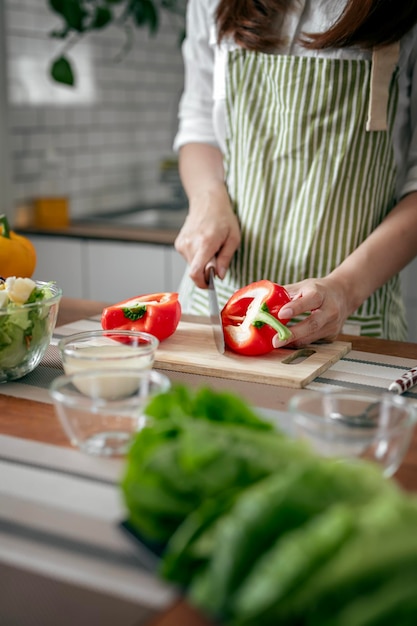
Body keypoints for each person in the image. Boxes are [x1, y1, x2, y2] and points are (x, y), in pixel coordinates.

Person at [173, 0, 417, 347]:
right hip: (222, 295)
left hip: (353, 315)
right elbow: (199, 128)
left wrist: (345, 289)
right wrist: (207, 197)